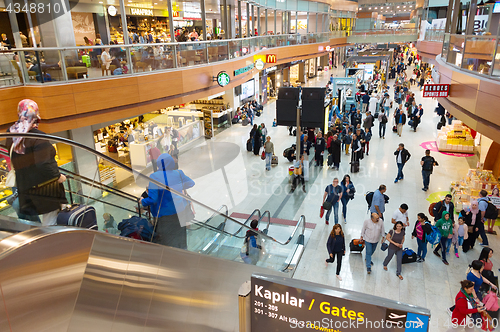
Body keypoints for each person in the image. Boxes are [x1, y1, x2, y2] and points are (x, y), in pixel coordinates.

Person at [7, 99, 68, 225]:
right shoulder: (39, 138)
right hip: (45, 190)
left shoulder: (12, 133)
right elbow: (43, 164)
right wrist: (58, 176)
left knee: (32, 226)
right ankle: (49, 242)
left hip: (24, 187)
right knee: (50, 223)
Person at [140, 154, 195, 249]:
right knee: (180, 237)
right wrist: (177, 187)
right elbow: (191, 183)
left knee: (166, 241)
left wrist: (143, 201)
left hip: (163, 215)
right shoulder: (178, 173)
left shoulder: (154, 176)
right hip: (179, 212)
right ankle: (183, 254)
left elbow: (153, 199)